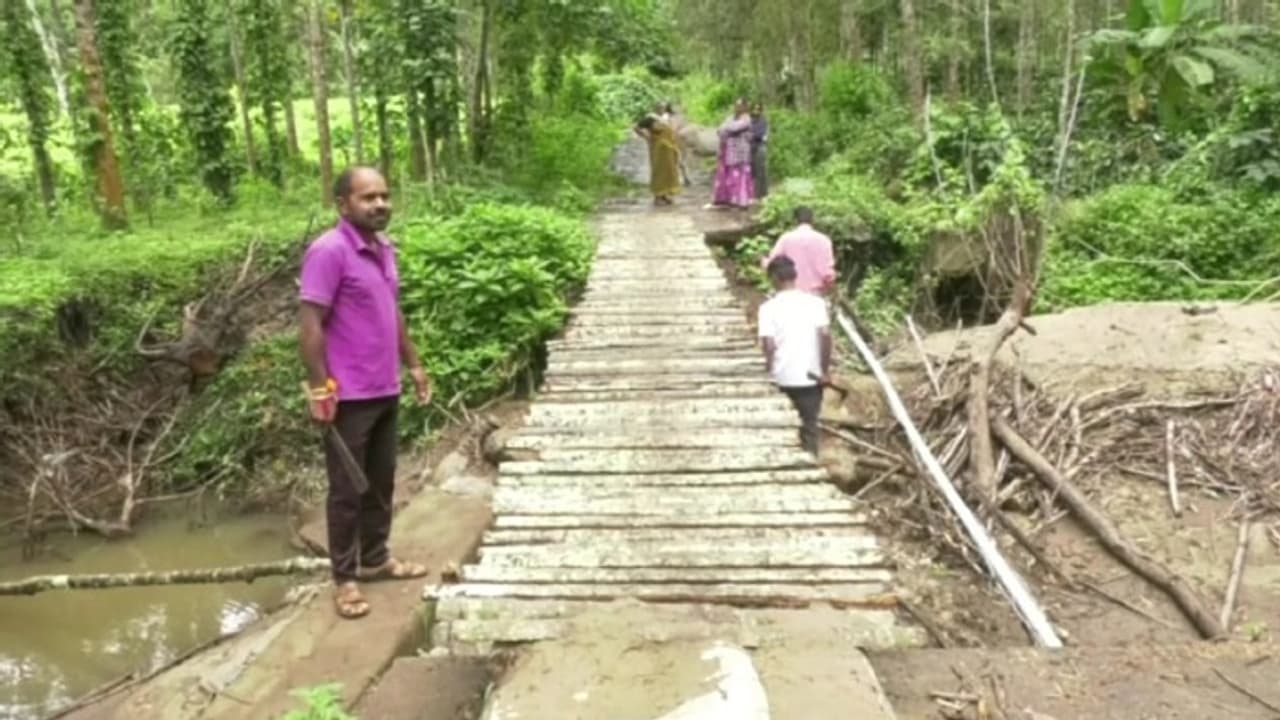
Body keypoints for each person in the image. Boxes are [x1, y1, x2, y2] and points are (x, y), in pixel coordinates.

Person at [299, 166, 433, 620]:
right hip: (347, 393)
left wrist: (413, 363)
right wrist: (319, 386)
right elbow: (311, 322)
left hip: (385, 385)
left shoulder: (383, 249)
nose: (379, 204)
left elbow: (390, 310)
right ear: (343, 204)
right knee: (345, 490)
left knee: (381, 479)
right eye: (367, 197)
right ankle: (345, 579)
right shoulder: (328, 251)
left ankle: (376, 559)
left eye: (384, 196)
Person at [757, 256, 832, 456]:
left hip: (782, 378)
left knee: (780, 429)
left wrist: (769, 369)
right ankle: (811, 462)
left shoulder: (768, 308)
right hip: (810, 378)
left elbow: (769, 345)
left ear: (774, 278)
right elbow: (825, 336)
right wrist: (824, 371)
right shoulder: (816, 303)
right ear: (794, 275)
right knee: (809, 426)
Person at [761, 206, 835, 295]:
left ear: (795, 221)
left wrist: (763, 261)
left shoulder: (786, 239)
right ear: (812, 221)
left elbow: (772, 264)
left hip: (790, 292)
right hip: (816, 294)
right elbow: (828, 274)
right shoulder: (824, 240)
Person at [708, 99, 755, 209]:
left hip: (741, 153)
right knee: (729, 176)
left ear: (745, 107)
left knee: (741, 177)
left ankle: (742, 201)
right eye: (736, 105)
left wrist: (727, 128)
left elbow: (734, 128)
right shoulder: (730, 118)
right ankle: (728, 199)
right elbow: (720, 130)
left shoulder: (747, 119)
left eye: (740, 106)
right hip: (728, 152)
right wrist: (727, 128)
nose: (737, 107)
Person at [634, 108, 681, 206]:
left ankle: (665, 195)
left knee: (669, 171)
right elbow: (636, 128)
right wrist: (646, 137)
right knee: (658, 172)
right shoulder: (650, 119)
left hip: (668, 149)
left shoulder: (665, 119)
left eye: (663, 106)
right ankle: (657, 196)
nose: (661, 108)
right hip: (658, 150)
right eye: (659, 106)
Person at [749, 102, 770, 199]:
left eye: (758, 109)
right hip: (750, 147)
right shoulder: (749, 120)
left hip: (760, 147)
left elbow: (761, 135)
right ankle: (754, 193)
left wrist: (753, 135)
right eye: (754, 109)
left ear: (761, 111)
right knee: (752, 171)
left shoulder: (763, 121)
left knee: (762, 170)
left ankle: (764, 193)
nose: (756, 111)